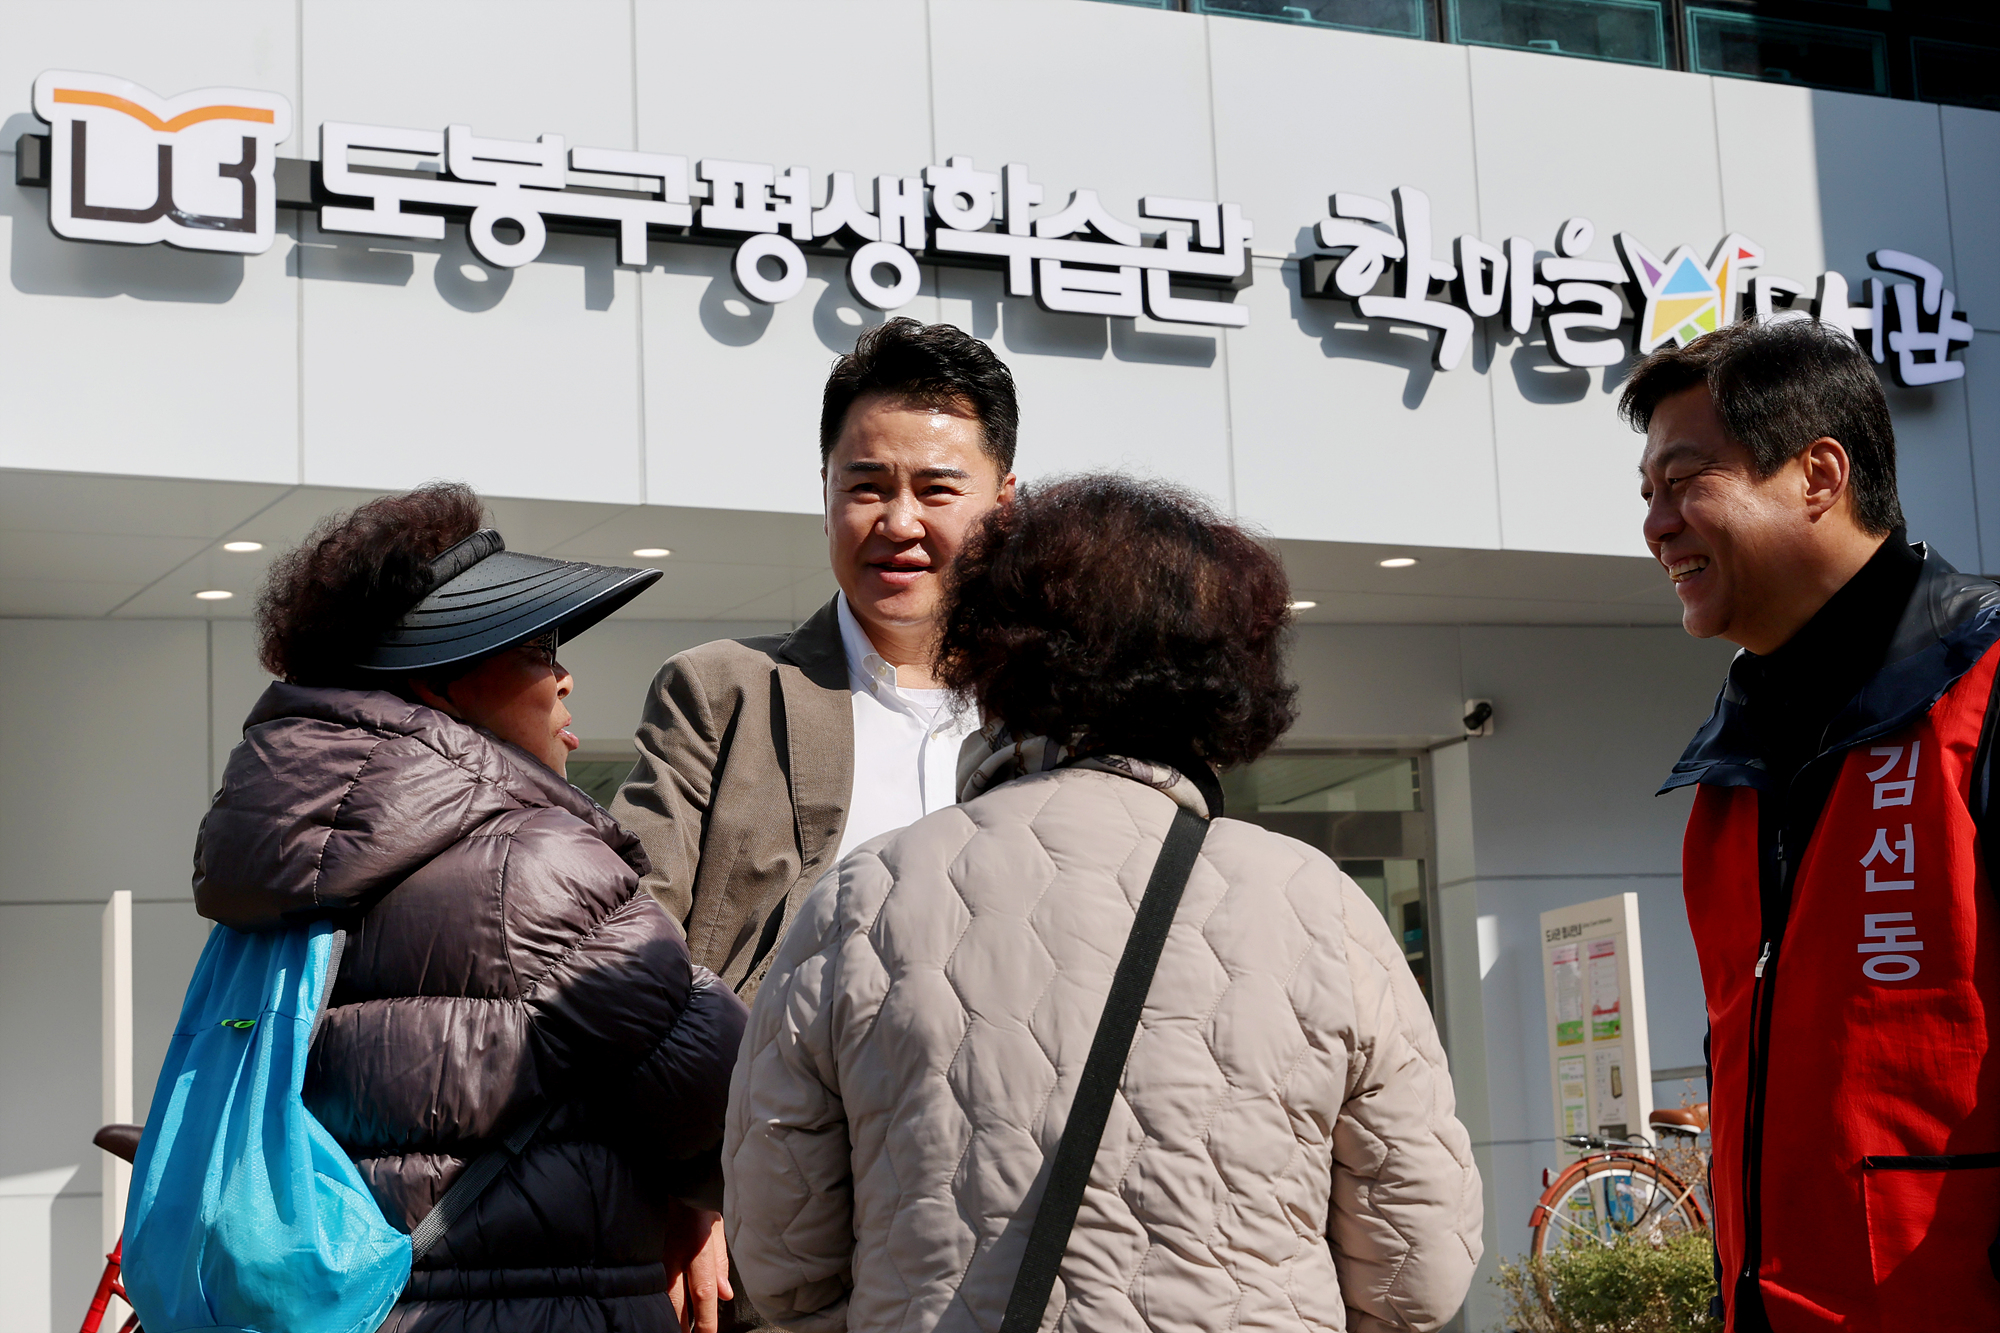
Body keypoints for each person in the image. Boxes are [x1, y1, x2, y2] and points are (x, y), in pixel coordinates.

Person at [723, 475, 1484, 1333]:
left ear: (994, 656)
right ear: (1226, 680)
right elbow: (1421, 1270)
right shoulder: (1323, 907)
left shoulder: (862, 900)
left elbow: (779, 1261)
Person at [193, 483, 749, 1333]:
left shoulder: (283, 861)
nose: (565, 676)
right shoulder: (535, 866)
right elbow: (721, 1090)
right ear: (439, 683)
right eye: (535, 647)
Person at [1629, 318, 2000, 1331]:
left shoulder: (1982, 686)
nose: (1656, 525)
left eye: (1684, 480)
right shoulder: (1727, 775)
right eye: (1646, 495)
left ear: (1818, 474)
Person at [610, 317, 1018, 999]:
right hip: (771, 1095)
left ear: (1003, 507)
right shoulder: (720, 695)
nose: (899, 522)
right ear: (825, 495)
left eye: (937, 489)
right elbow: (626, 929)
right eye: (867, 486)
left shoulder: (1063, 716)